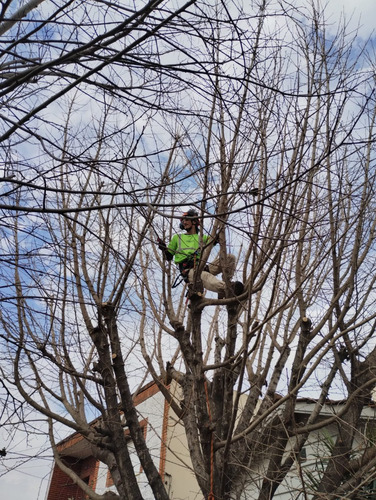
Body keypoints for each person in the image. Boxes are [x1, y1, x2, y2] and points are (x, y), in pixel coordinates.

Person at [158, 209, 244, 298]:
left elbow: (214, 240)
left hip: (202, 267)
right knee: (205, 277)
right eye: (183, 221)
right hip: (189, 270)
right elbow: (168, 256)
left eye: (186, 219)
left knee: (230, 258)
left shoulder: (202, 237)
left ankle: (226, 284)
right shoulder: (177, 238)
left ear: (194, 222)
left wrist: (220, 227)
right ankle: (227, 288)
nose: (184, 222)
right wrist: (164, 248)